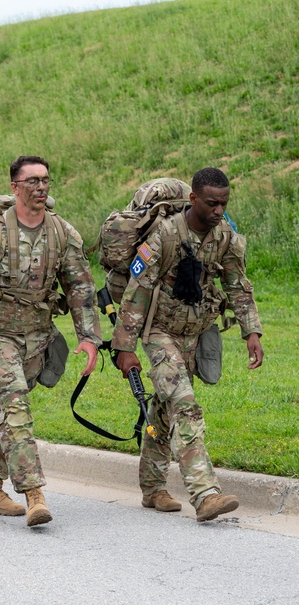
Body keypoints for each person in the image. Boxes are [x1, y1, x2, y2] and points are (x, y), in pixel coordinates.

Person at [0, 156, 101, 527]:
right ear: (15, 187)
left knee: (4, 412)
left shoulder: (63, 233)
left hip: (37, 337)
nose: (41, 187)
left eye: (45, 180)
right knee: (15, 405)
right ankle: (35, 495)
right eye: (32, 181)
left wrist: (89, 337)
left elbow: (80, 287)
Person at [113, 167, 263, 522]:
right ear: (193, 199)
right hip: (158, 331)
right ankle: (205, 493)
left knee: (166, 409)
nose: (218, 211)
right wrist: (125, 346)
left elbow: (238, 285)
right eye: (212, 203)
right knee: (185, 403)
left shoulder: (225, 235)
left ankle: (152, 488)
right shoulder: (164, 236)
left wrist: (251, 332)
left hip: (195, 333)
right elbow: (136, 292)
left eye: (224, 204)